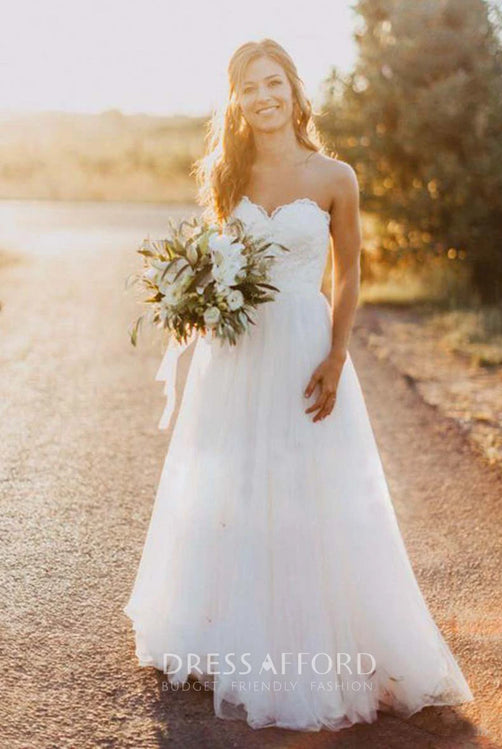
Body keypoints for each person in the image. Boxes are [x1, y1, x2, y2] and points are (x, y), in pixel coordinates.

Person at [123, 38, 474, 732]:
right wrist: (196, 295)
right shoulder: (227, 173)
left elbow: (348, 274)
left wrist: (338, 353)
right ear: (236, 99)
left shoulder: (333, 177)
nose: (262, 97)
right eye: (248, 87)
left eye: (272, 82)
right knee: (239, 483)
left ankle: (318, 640)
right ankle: (234, 627)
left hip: (306, 344)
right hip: (238, 352)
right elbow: (216, 257)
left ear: (293, 89)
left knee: (314, 481)